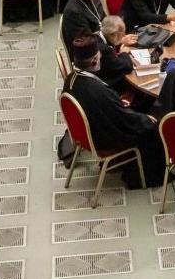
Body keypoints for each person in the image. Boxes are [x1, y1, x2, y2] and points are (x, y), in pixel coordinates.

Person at [66, 42, 164, 188]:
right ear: (94, 61)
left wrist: (116, 103)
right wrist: (146, 119)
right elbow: (124, 121)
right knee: (154, 125)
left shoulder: (72, 78)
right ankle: (147, 178)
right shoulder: (97, 90)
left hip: (87, 133)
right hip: (103, 138)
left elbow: (108, 109)